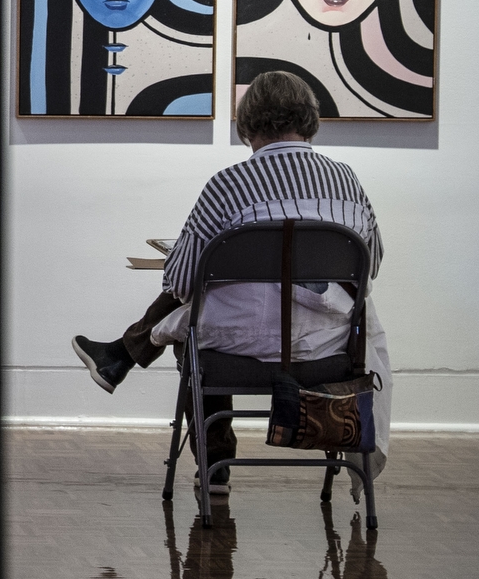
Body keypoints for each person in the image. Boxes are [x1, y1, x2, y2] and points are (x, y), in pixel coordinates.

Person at [70, 69, 391, 494]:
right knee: (203, 316)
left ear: (247, 122)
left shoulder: (227, 186)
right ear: (310, 118)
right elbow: (371, 263)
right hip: (328, 349)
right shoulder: (347, 182)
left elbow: (182, 281)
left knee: (191, 330)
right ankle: (119, 358)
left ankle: (216, 464)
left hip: (238, 347)